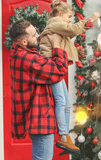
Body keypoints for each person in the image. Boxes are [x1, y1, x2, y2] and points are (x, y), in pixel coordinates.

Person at [39, 0, 100, 153]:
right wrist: (90, 20)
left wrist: (77, 53)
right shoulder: (55, 22)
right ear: (60, 14)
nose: (70, 19)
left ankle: (64, 136)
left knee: (66, 103)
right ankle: (63, 135)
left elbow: (66, 45)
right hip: (51, 67)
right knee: (61, 101)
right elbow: (72, 30)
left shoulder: (59, 29)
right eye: (69, 16)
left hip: (56, 68)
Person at [9, 19, 68, 160]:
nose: (38, 35)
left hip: (40, 116)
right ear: (23, 41)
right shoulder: (26, 58)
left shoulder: (23, 53)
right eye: (34, 34)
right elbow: (59, 69)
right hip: (39, 118)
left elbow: (47, 65)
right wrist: (56, 44)